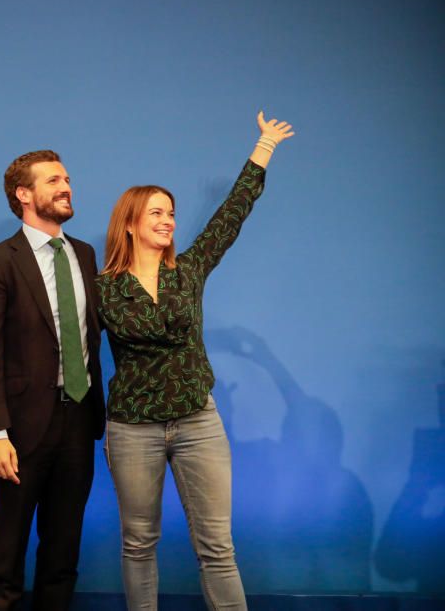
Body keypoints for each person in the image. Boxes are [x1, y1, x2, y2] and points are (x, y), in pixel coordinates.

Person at [95, 111, 295, 610]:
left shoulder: (189, 270)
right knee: (139, 544)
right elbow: (132, 333)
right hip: (132, 428)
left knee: (218, 548)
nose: (168, 221)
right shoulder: (104, 288)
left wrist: (263, 148)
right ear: (132, 224)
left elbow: (231, 215)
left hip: (197, 422)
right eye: (156, 213)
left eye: (171, 213)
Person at [0, 150, 106, 610]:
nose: (66, 187)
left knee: (63, 554)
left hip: (79, 425)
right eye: (52, 181)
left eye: (67, 178)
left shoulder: (84, 254)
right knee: (7, 554)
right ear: (23, 195)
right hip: (19, 432)